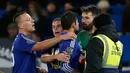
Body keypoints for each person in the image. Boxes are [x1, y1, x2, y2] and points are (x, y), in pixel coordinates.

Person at [11, 11, 76, 73]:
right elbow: (41, 46)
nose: (33, 21)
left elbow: (22, 63)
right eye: (28, 20)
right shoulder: (21, 40)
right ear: (20, 25)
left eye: (31, 19)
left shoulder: (22, 40)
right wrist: (61, 37)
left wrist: (36, 69)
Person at [77, 5, 99, 72]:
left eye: (87, 18)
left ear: (95, 19)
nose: (83, 21)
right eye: (82, 18)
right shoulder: (80, 35)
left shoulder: (101, 35)